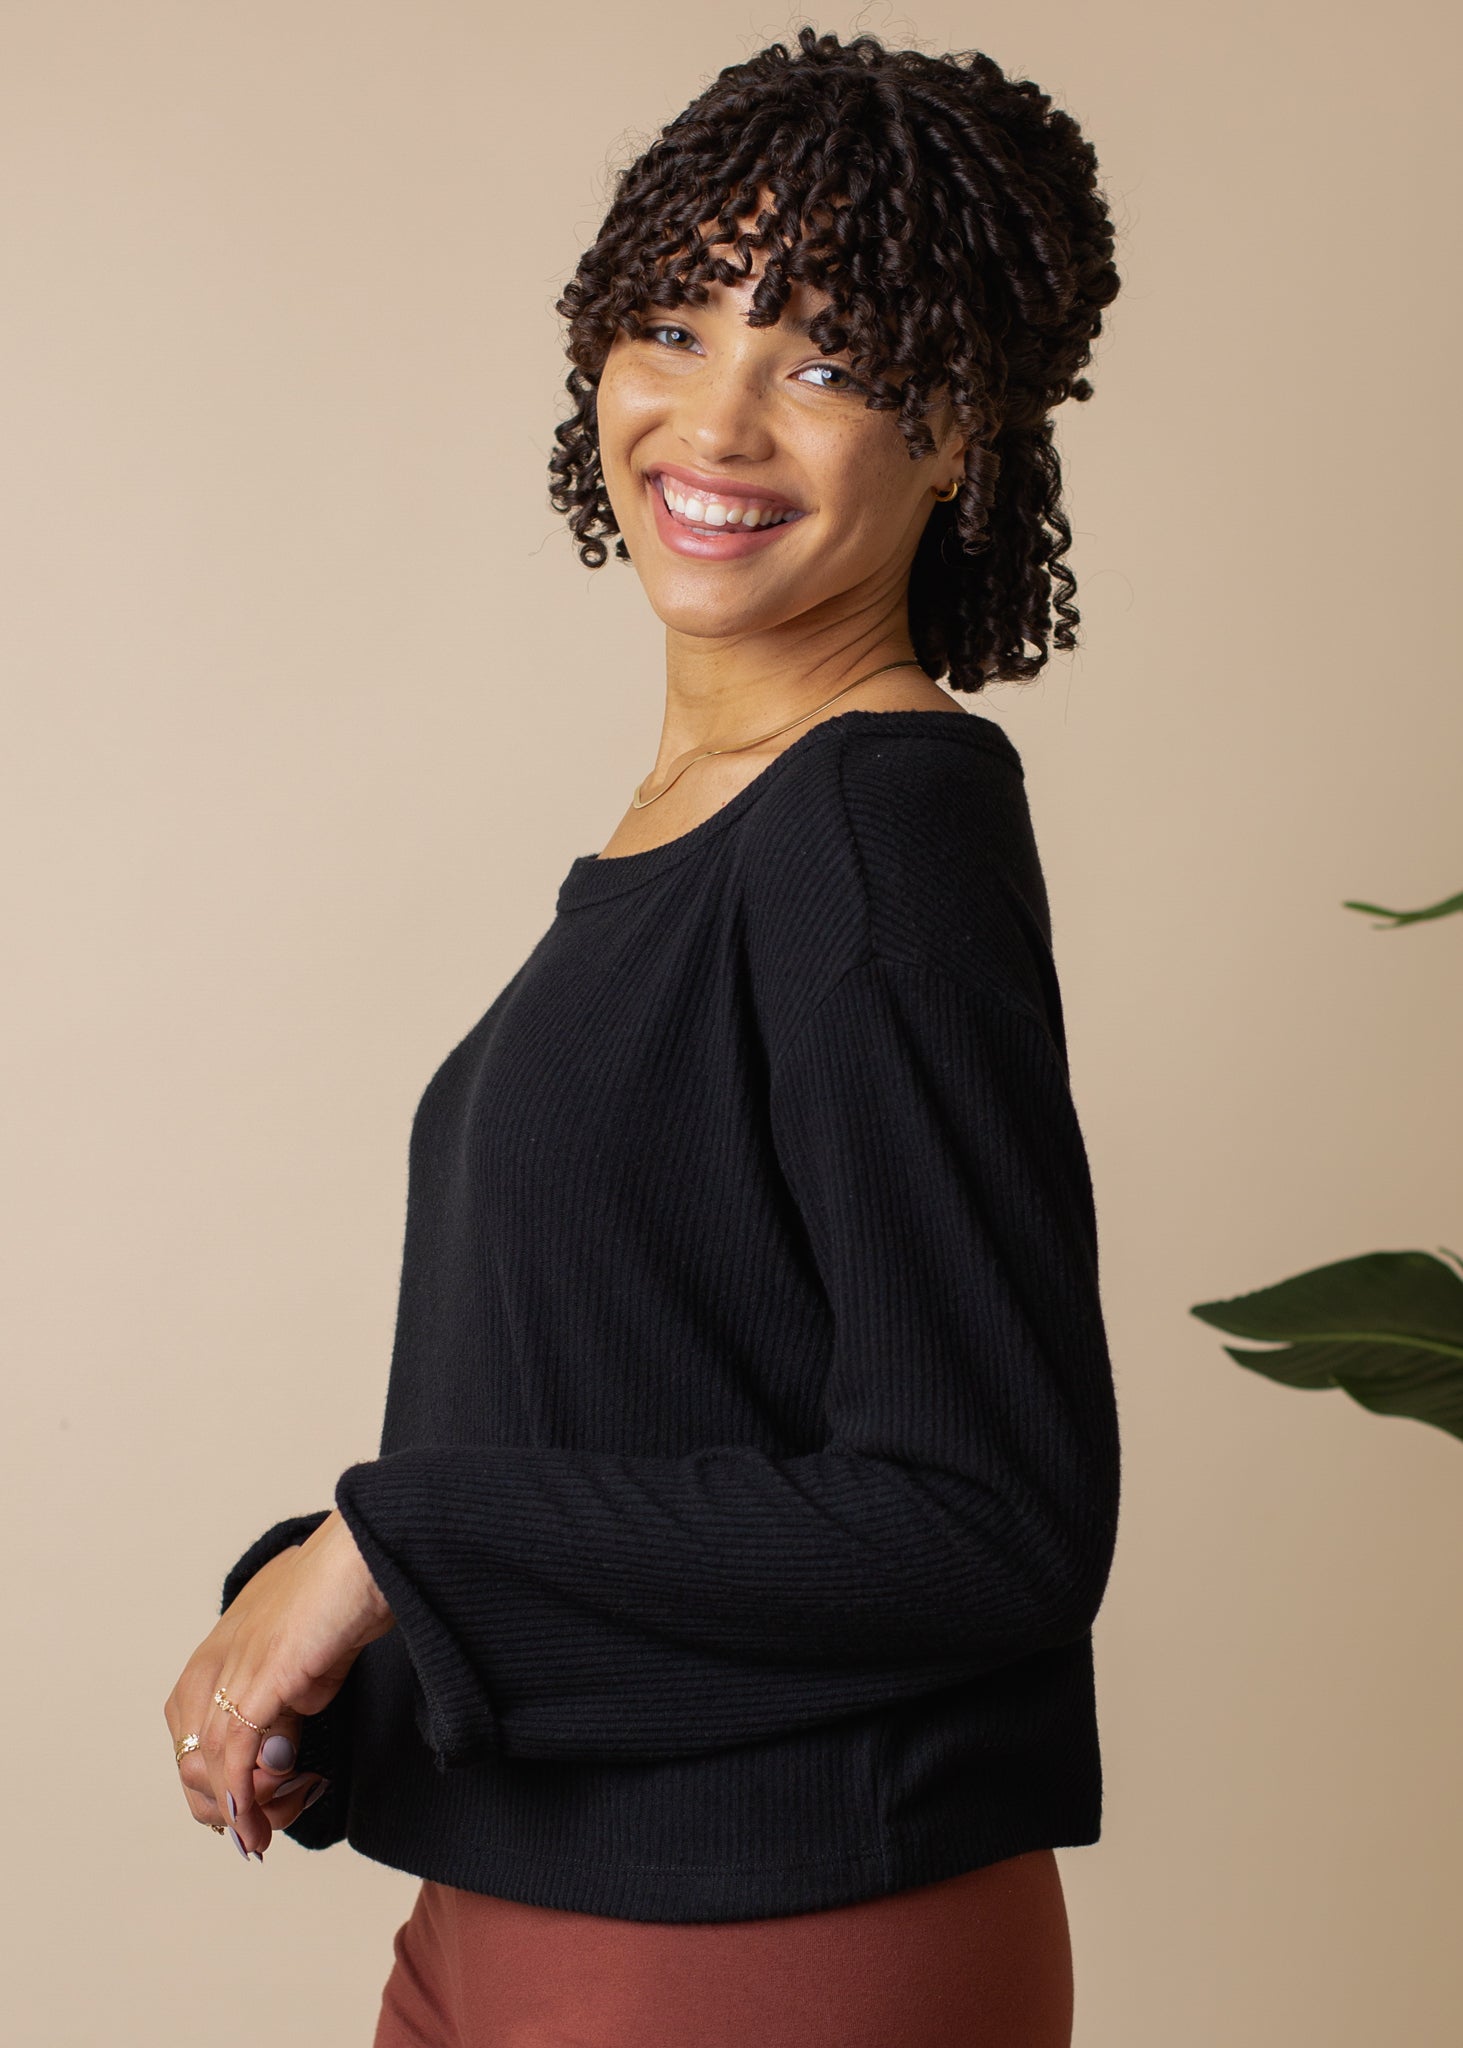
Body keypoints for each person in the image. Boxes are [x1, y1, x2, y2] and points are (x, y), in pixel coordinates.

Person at [164, 25, 1124, 2047]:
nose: (722, 415)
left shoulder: (880, 822)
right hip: (532, 1900)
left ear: (960, 434)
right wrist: (363, 1614)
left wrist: (385, 1547)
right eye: (675, 324)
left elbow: (987, 1517)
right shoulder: (712, 834)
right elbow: (650, 1410)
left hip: (762, 1935)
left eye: (834, 362)